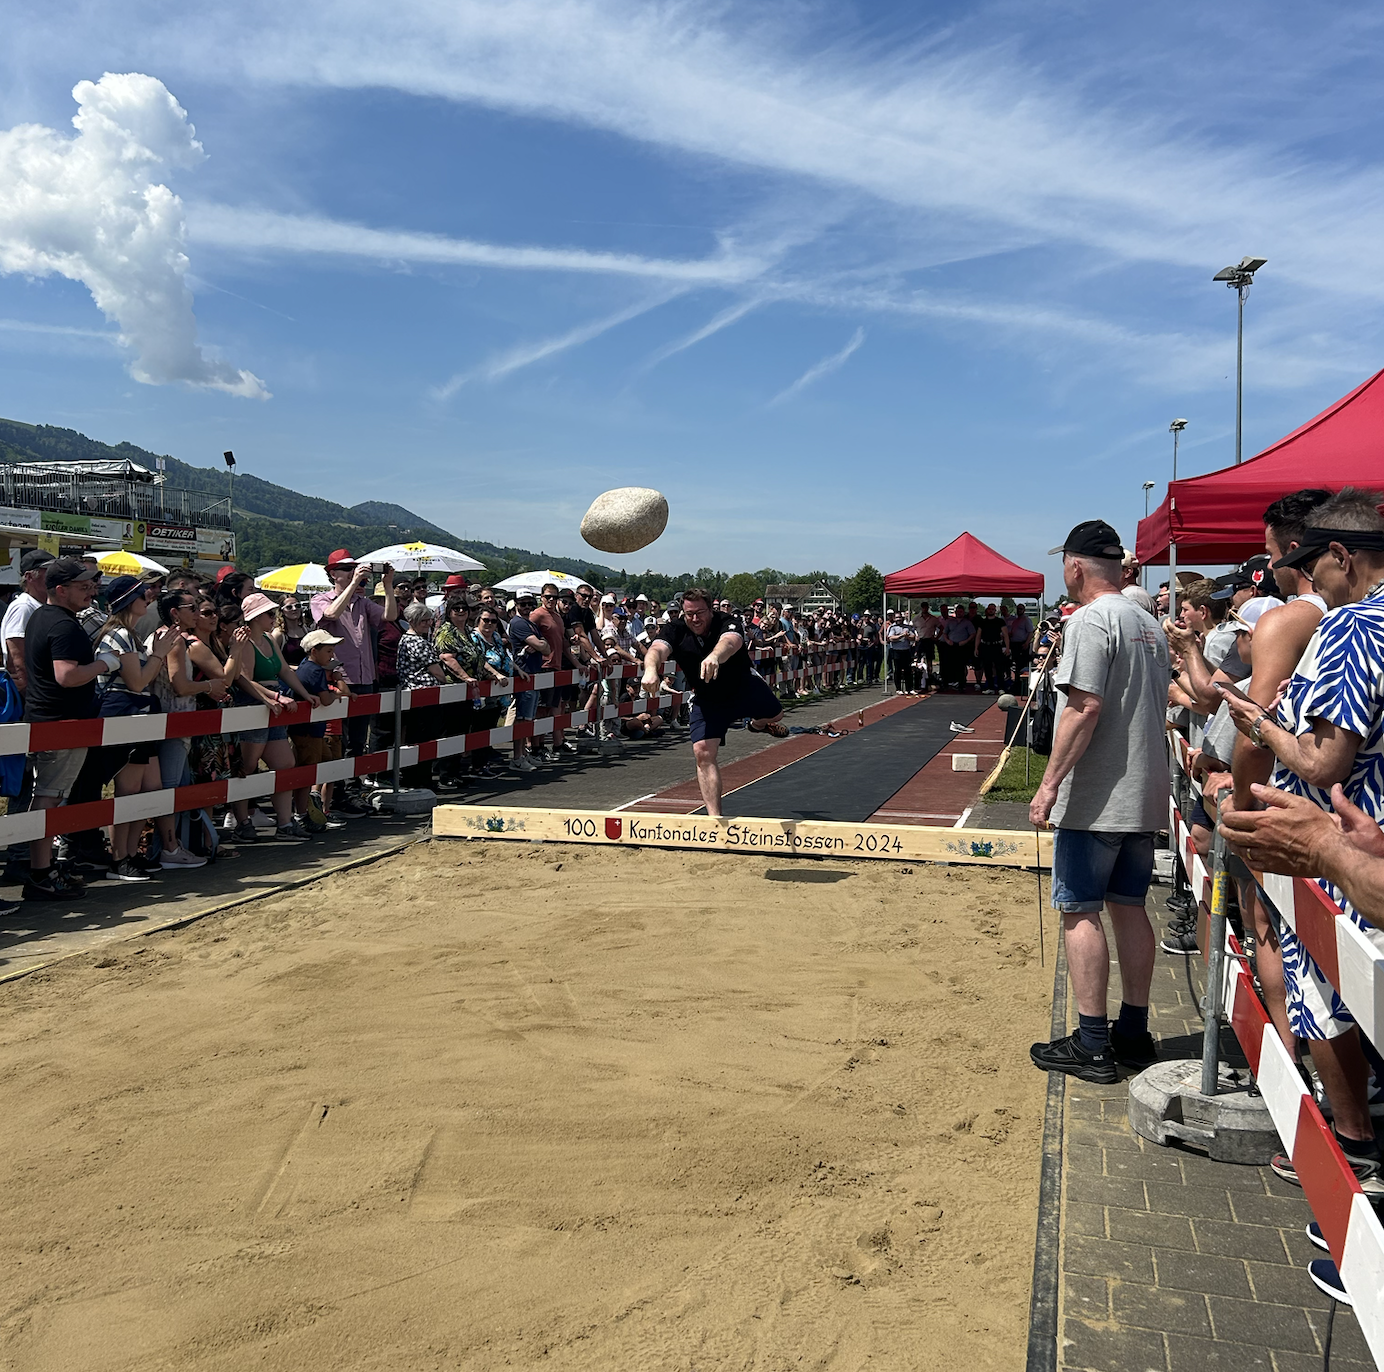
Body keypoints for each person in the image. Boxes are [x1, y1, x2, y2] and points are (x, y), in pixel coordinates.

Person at [1216, 490, 1384, 1192]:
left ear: (1341, 557)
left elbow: (1322, 761)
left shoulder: (1354, 626)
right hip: (1361, 839)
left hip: (1337, 845)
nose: (1309, 580)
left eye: (1313, 566)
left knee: (1324, 994)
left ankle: (1354, 1151)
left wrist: (1259, 725)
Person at [1028, 520, 1170, 1083]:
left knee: (1080, 909)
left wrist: (1048, 785)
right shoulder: (1150, 623)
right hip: (1144, 790)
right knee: (1129, 905)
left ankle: (1092, 1042)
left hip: (1099, 795)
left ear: (1075, 565)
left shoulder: (1090, 620)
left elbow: (1082, 709)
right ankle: (1133, 1030)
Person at [641, 587, 785, 816]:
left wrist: (715, 657)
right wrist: (650, 670)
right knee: (703, 753)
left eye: (700, 613)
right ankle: (714, 819)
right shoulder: (675, 629)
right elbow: (656, 649)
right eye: (689, 614)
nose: (695, 619)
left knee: (777, 715)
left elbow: (730, 642)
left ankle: (756, 725)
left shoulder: (727, 621)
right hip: (707, 696)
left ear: (711, 609)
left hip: (742, 685)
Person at [22, 558, 112, 901]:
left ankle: (43, 868)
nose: (91, 592)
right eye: (83, 587)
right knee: (50, 795)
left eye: (92, 586)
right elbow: (67, 676)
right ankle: (41, 872)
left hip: (51, 719)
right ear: (61, 590)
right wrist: (104, 663)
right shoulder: (62, 625)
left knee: (50, 795)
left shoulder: (43, 617)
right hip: (61, 722)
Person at [230, 593, 327, 843]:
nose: (274, 617)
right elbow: (244, 679)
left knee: (284, 764)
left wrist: (305, 694)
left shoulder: (267, 639)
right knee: (247, 767)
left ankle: (284, 822)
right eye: (269, 614)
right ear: (254, 618)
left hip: (273, 704)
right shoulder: (247, 642)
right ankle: (242, 820)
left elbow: (284, 669)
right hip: (254, 703)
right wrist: (275, 696)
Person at [310, 549, 396, 778]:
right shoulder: (320, 599)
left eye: (354, 569)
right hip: (337, 679)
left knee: (357, 742)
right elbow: (331, 614)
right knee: (338, 739)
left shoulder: (363, 602)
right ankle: (337, 791)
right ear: (333, 574)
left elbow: (390, 616)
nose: (352, 573)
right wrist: (355, 582)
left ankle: (354, 786)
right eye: (347, 569)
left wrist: (388, 585)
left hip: (364, 678)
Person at [289, 628, 348, 829]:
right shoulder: (314, 670)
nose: (332, 656)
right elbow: (325, 699)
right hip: (308, 730)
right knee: (309, 770)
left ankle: (313, 806)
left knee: (325, 764)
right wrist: (337, 695)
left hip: (312, 729)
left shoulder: (307, 667)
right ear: (314, 651)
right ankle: (302, 814)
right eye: (328, 651)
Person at [396, 601, 448, 790]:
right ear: (413, 621)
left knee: (413, 738)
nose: (427, 624)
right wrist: (445, 681)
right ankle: (422, 779)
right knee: (425, 738)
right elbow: (437, 671)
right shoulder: (419, 642)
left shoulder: (404, 639)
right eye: (423, 621)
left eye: (429, 620)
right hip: (425, 694)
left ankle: (415, 776)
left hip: (411, 693)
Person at [506, 591, 545, 771]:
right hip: (525, 673)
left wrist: (541, 644)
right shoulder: (518, 622)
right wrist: (540, 644)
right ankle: (517, 756)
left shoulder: (529, 623)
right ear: (516, 605)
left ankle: (523, 753)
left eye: (530, 603)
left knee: (528, 718)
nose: (527, 607)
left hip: (534, 672)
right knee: (522, 718)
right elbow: (542, 646)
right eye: (523, 604)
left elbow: (546, 647)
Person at [974, 603, 1009, 694]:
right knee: (987, 668)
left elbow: (1005, 635)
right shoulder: (983, 622)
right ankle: (990, 687)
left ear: (995, 611)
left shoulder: (1000, 621)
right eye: (989, 609)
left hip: (997, 646)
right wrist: (976, 648)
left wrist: (1007, 647)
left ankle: (1001, 687)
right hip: (985, 646)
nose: (991, 611)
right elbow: (978, 635)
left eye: (992, 609)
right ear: (987, 610)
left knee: (999, 668)